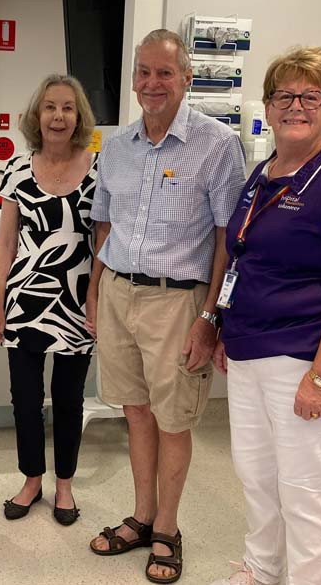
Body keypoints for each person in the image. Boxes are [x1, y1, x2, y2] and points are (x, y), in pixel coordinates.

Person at [208, 47, 321, 585]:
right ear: (268, 104)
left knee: (306, 489)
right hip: (250, 352)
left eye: (312, 96)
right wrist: (223, 327)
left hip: (309, 358)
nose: (296, 106)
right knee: (258, 477)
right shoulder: (263, 173)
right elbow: (245, 259)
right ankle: (262, 571)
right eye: (284, 95)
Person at [87, 29, 246, 584]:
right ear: (133, 78)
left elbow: (231, 238)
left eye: (164, 73)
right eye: (143, 72)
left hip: (179, 302)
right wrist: (94, 292)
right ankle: (142, 514)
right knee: (134, 411)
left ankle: (169, 530)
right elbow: (106, 225)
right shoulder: (117, 144)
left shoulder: (219, 145)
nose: (152, 83)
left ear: (186, 79)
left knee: (173, 419)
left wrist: (211, 316)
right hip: (118, 293)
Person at [0, 74, 97, 526]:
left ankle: (64, 485)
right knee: (25, 399)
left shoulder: (98, 170)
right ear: (38, 115)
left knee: (68, 399)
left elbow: (103, 243)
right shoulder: (16, 169)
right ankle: (32, 478)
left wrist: (95, 299)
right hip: (25, 300)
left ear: (79, 117)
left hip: (76, 303)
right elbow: (4, 245)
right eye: (50, 106)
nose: (58, 116)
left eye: (68, 107)